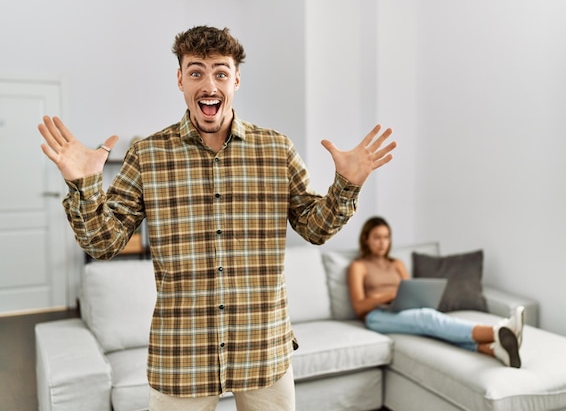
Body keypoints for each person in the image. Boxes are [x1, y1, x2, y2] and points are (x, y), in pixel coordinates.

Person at [37, 26, 396, 411]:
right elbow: (102, 244)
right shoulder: (147, 155)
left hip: (263, 349)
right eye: (196, 72)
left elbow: (316, 228)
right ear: (179, 79)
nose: (209, 85)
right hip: (182, 357)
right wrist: (84, 186)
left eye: (220, 72)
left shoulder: (276, 150)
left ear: (236, 79)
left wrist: (347, 184)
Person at [348, 216, 525, 368]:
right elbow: (359, 306)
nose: (382, 243)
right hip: (376, 316)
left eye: (386, 237)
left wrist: (407, 296)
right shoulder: (358, 266)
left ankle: (495, 351)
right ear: (366, 239)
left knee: (433, 328)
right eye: (377, 237)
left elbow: (409, 291)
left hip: (401, 309)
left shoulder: (396, 264)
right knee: (428, 318)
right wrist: (389, 295)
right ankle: (498, 331)